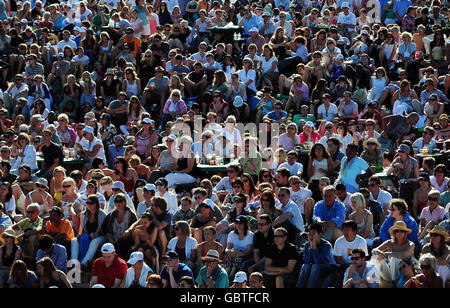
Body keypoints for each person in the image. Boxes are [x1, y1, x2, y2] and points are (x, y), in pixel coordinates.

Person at [372, 221, 416, 286]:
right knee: (376, 256)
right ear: (394, 233)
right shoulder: (389, 242)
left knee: (395, 258)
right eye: (397, 231)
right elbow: (374, 250)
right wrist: (379, 252)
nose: (399, 233)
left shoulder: (410, 244)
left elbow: (403, 255)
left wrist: (387, 254)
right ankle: (372, 281)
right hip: (389, 274)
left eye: (402, 231)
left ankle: (394, 283)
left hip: (404, 274)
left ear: (405, 233)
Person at [296, 223, 336, 288]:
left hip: (328, 267)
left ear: (320, 234)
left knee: (315, 266)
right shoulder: (307, 245)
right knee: (305, 266)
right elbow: (306, 261)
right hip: (315, 266)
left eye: (313, 233)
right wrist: (311, 246)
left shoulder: (327, 245)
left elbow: (318, 261)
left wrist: (314, 246)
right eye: (310, 234)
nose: (311, 236)